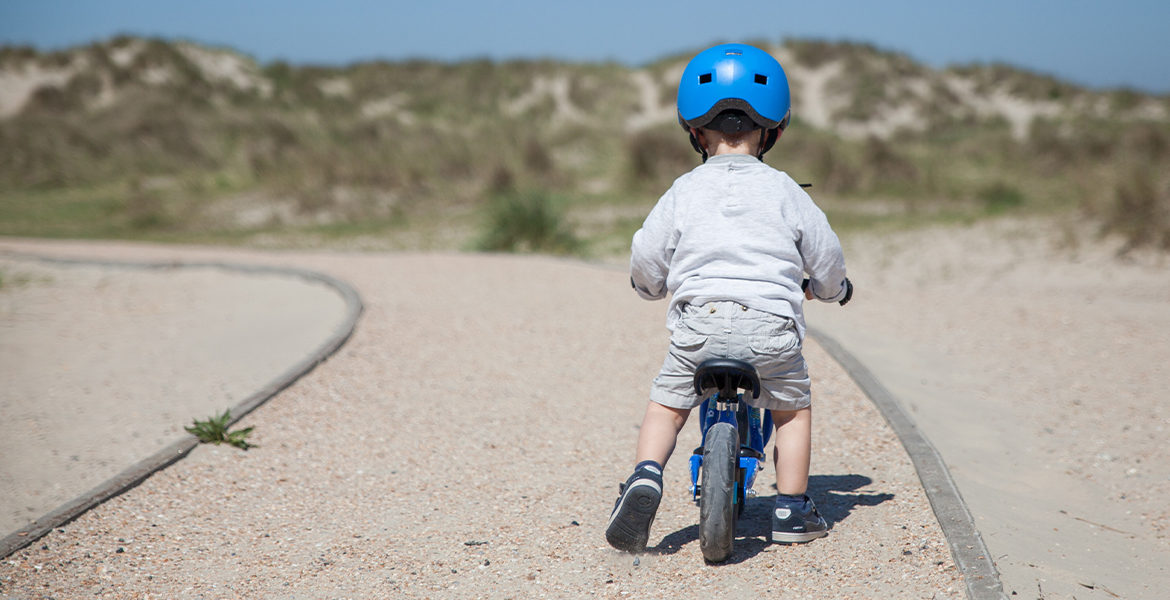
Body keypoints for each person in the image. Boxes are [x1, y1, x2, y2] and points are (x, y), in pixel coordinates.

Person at [605, 43, 851, 553]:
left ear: (694, 131)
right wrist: (832, 289)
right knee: (791, 409)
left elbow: (648, 254)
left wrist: (648, 286)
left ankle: (646, 475)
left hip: (699, 324)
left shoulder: (682, 190)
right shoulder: (786, 191)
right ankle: (791, 508)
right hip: (770, 328)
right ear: (774, 130)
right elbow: (825, 255)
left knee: (667, 407)